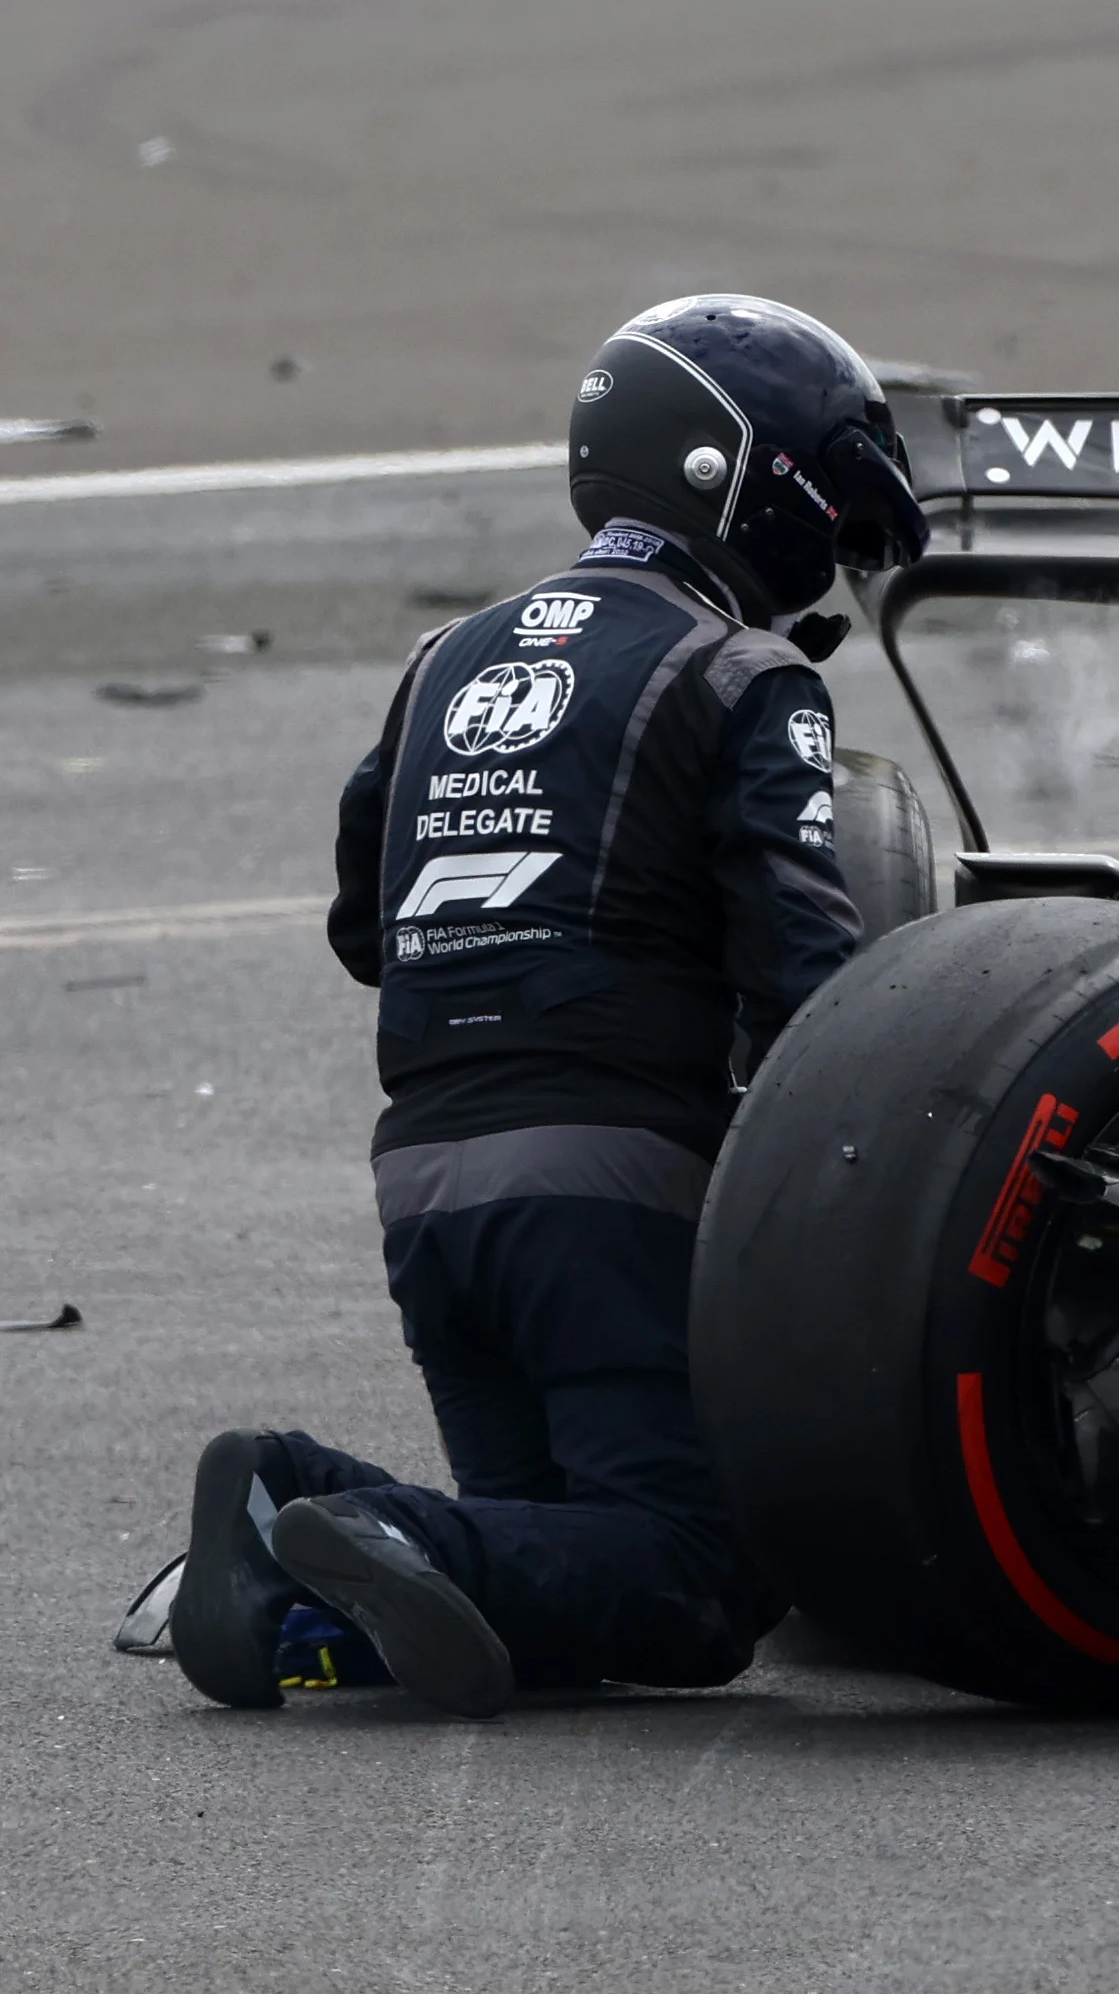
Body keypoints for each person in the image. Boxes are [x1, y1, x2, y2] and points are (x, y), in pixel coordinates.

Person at [169, 296, 928, 1718]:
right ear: (740, 475)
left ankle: (292, 1513)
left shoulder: (441, 661)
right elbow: (809, 972)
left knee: (543, 1576)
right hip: (612, 1189)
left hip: (427, 1187)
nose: (829, 549)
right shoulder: (745, 674)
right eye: (828, 505)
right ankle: (376, 1531)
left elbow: (362, 926)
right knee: (698, 1584)